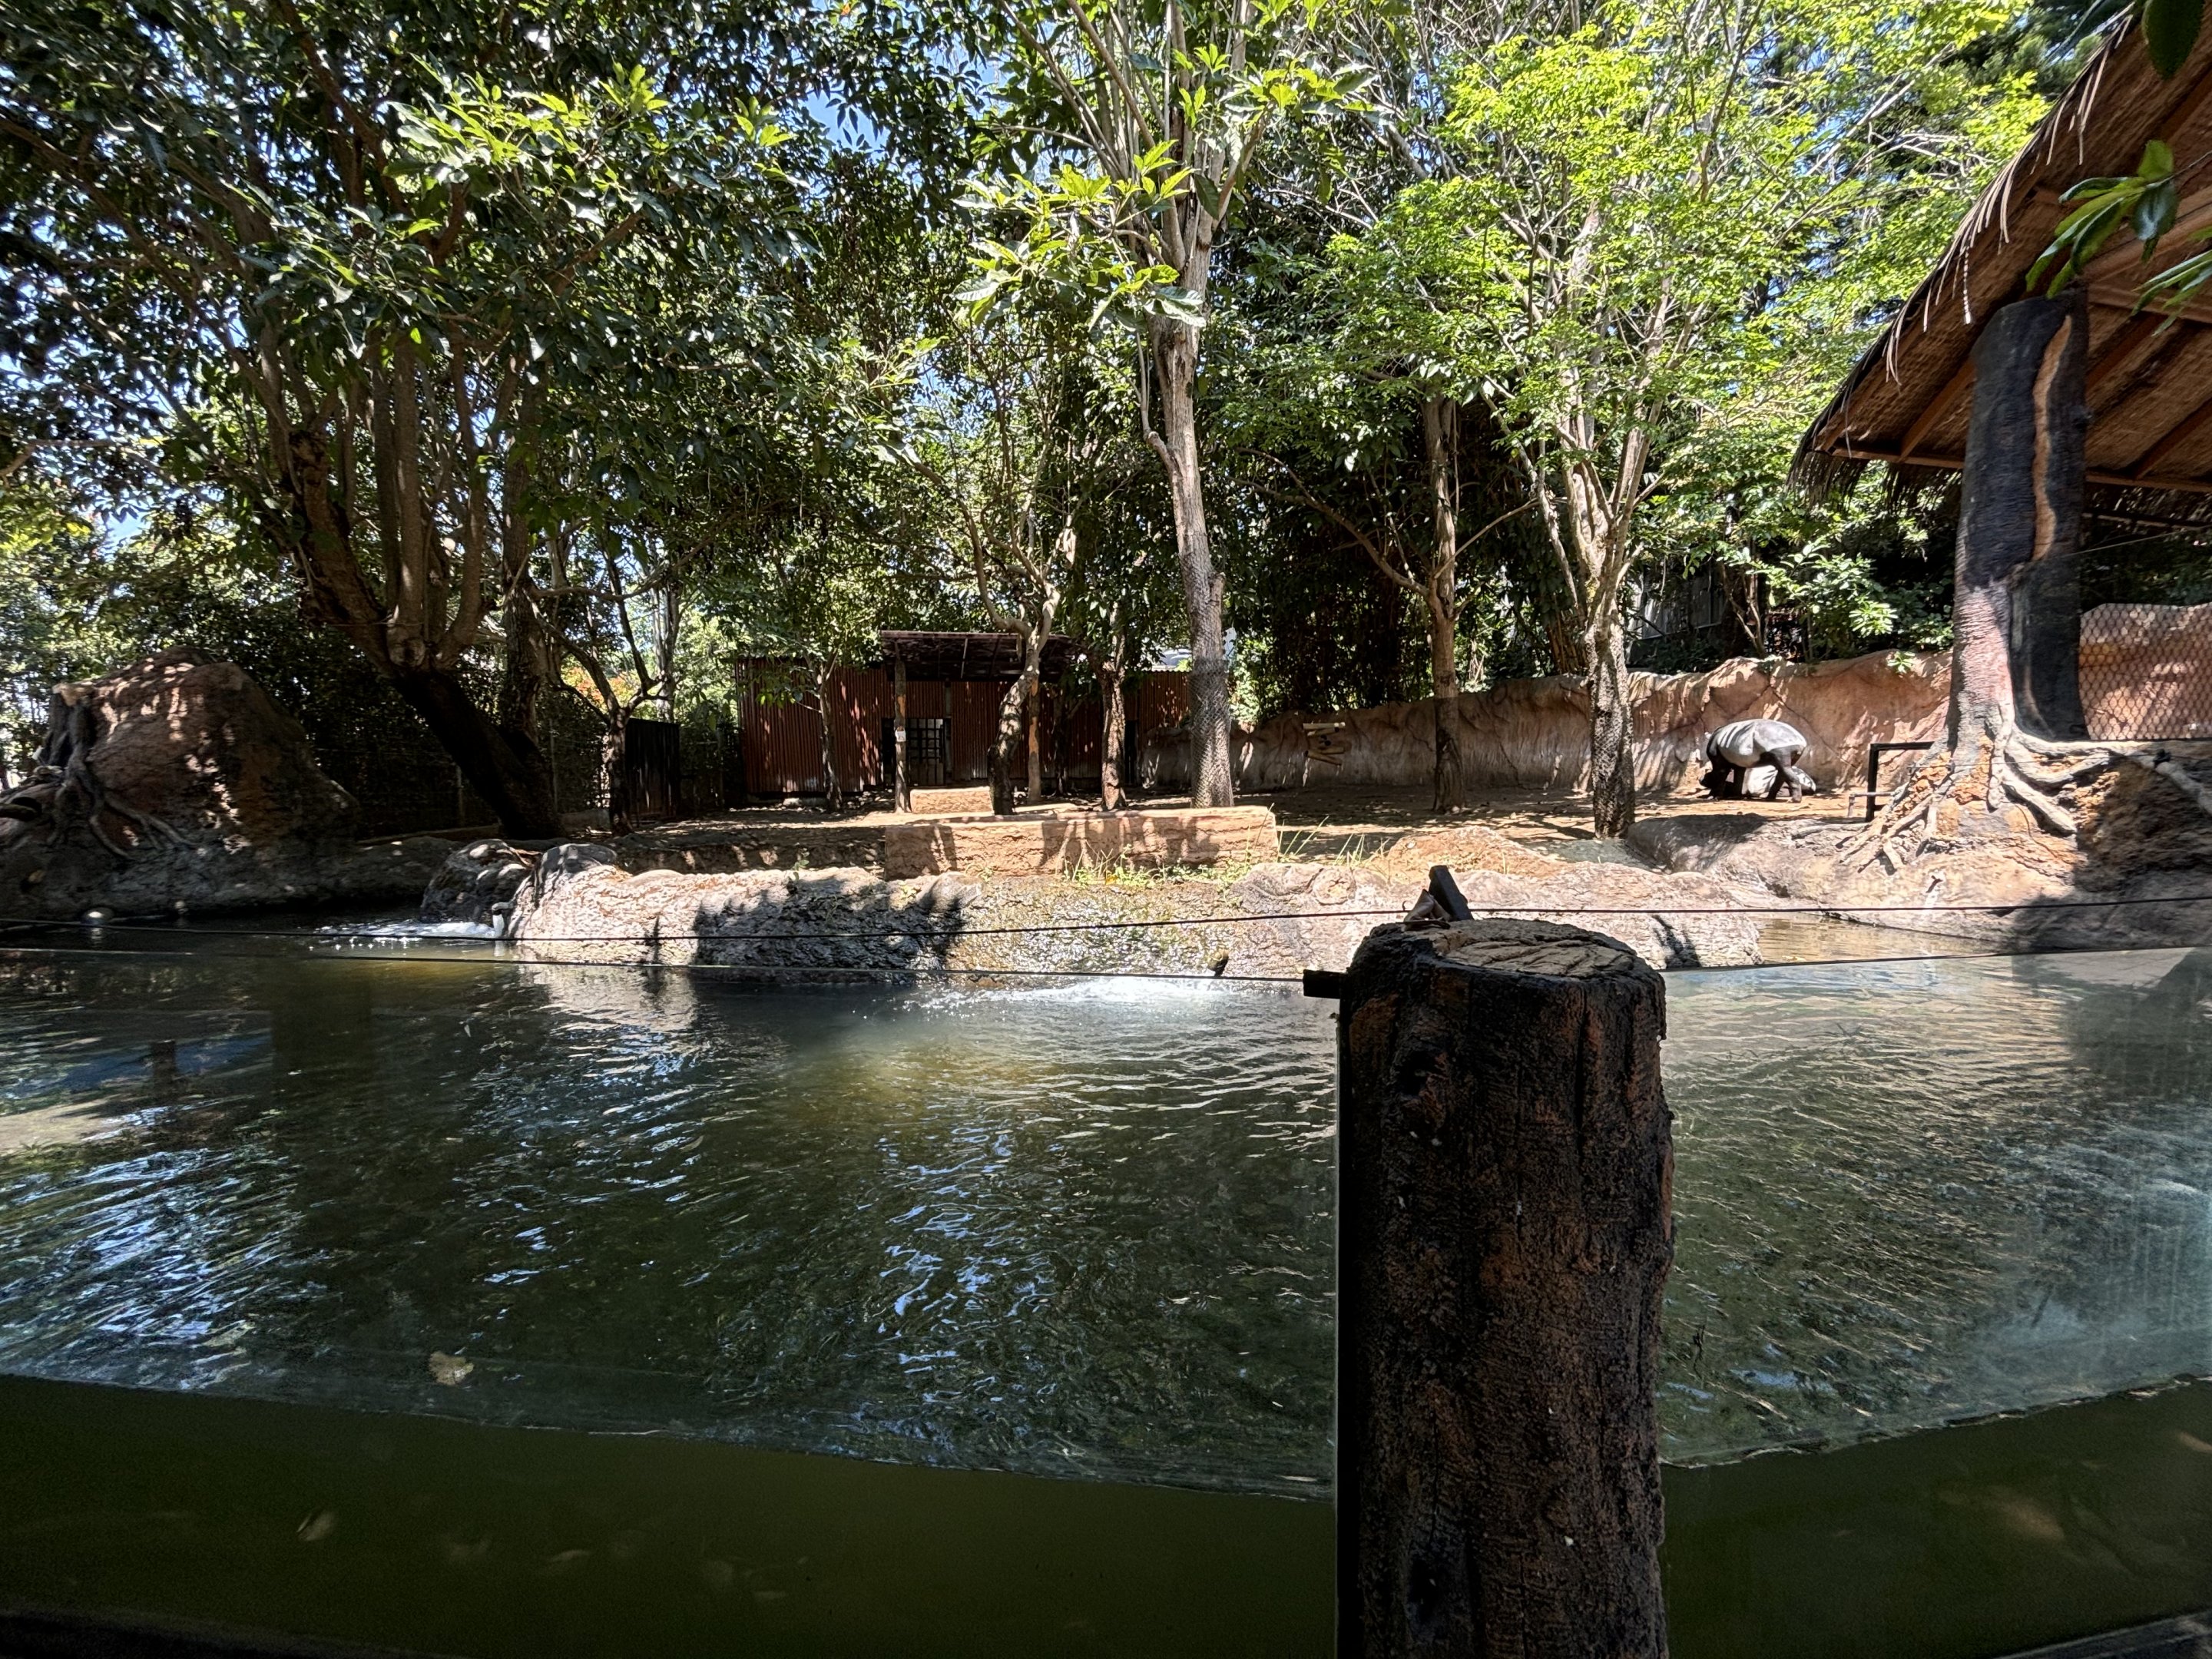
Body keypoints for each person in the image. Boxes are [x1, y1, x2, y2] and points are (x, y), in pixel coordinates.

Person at [1700, 718, 1820, 801]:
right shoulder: (1725, 737)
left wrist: (1716, 791)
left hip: (1774, 743)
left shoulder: (1717, 743)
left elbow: (1721, 771)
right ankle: (1771, 795)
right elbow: (1739, 769)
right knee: (1784, 770)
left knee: (1785, 770)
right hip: (1797, 741)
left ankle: (1796, 794)